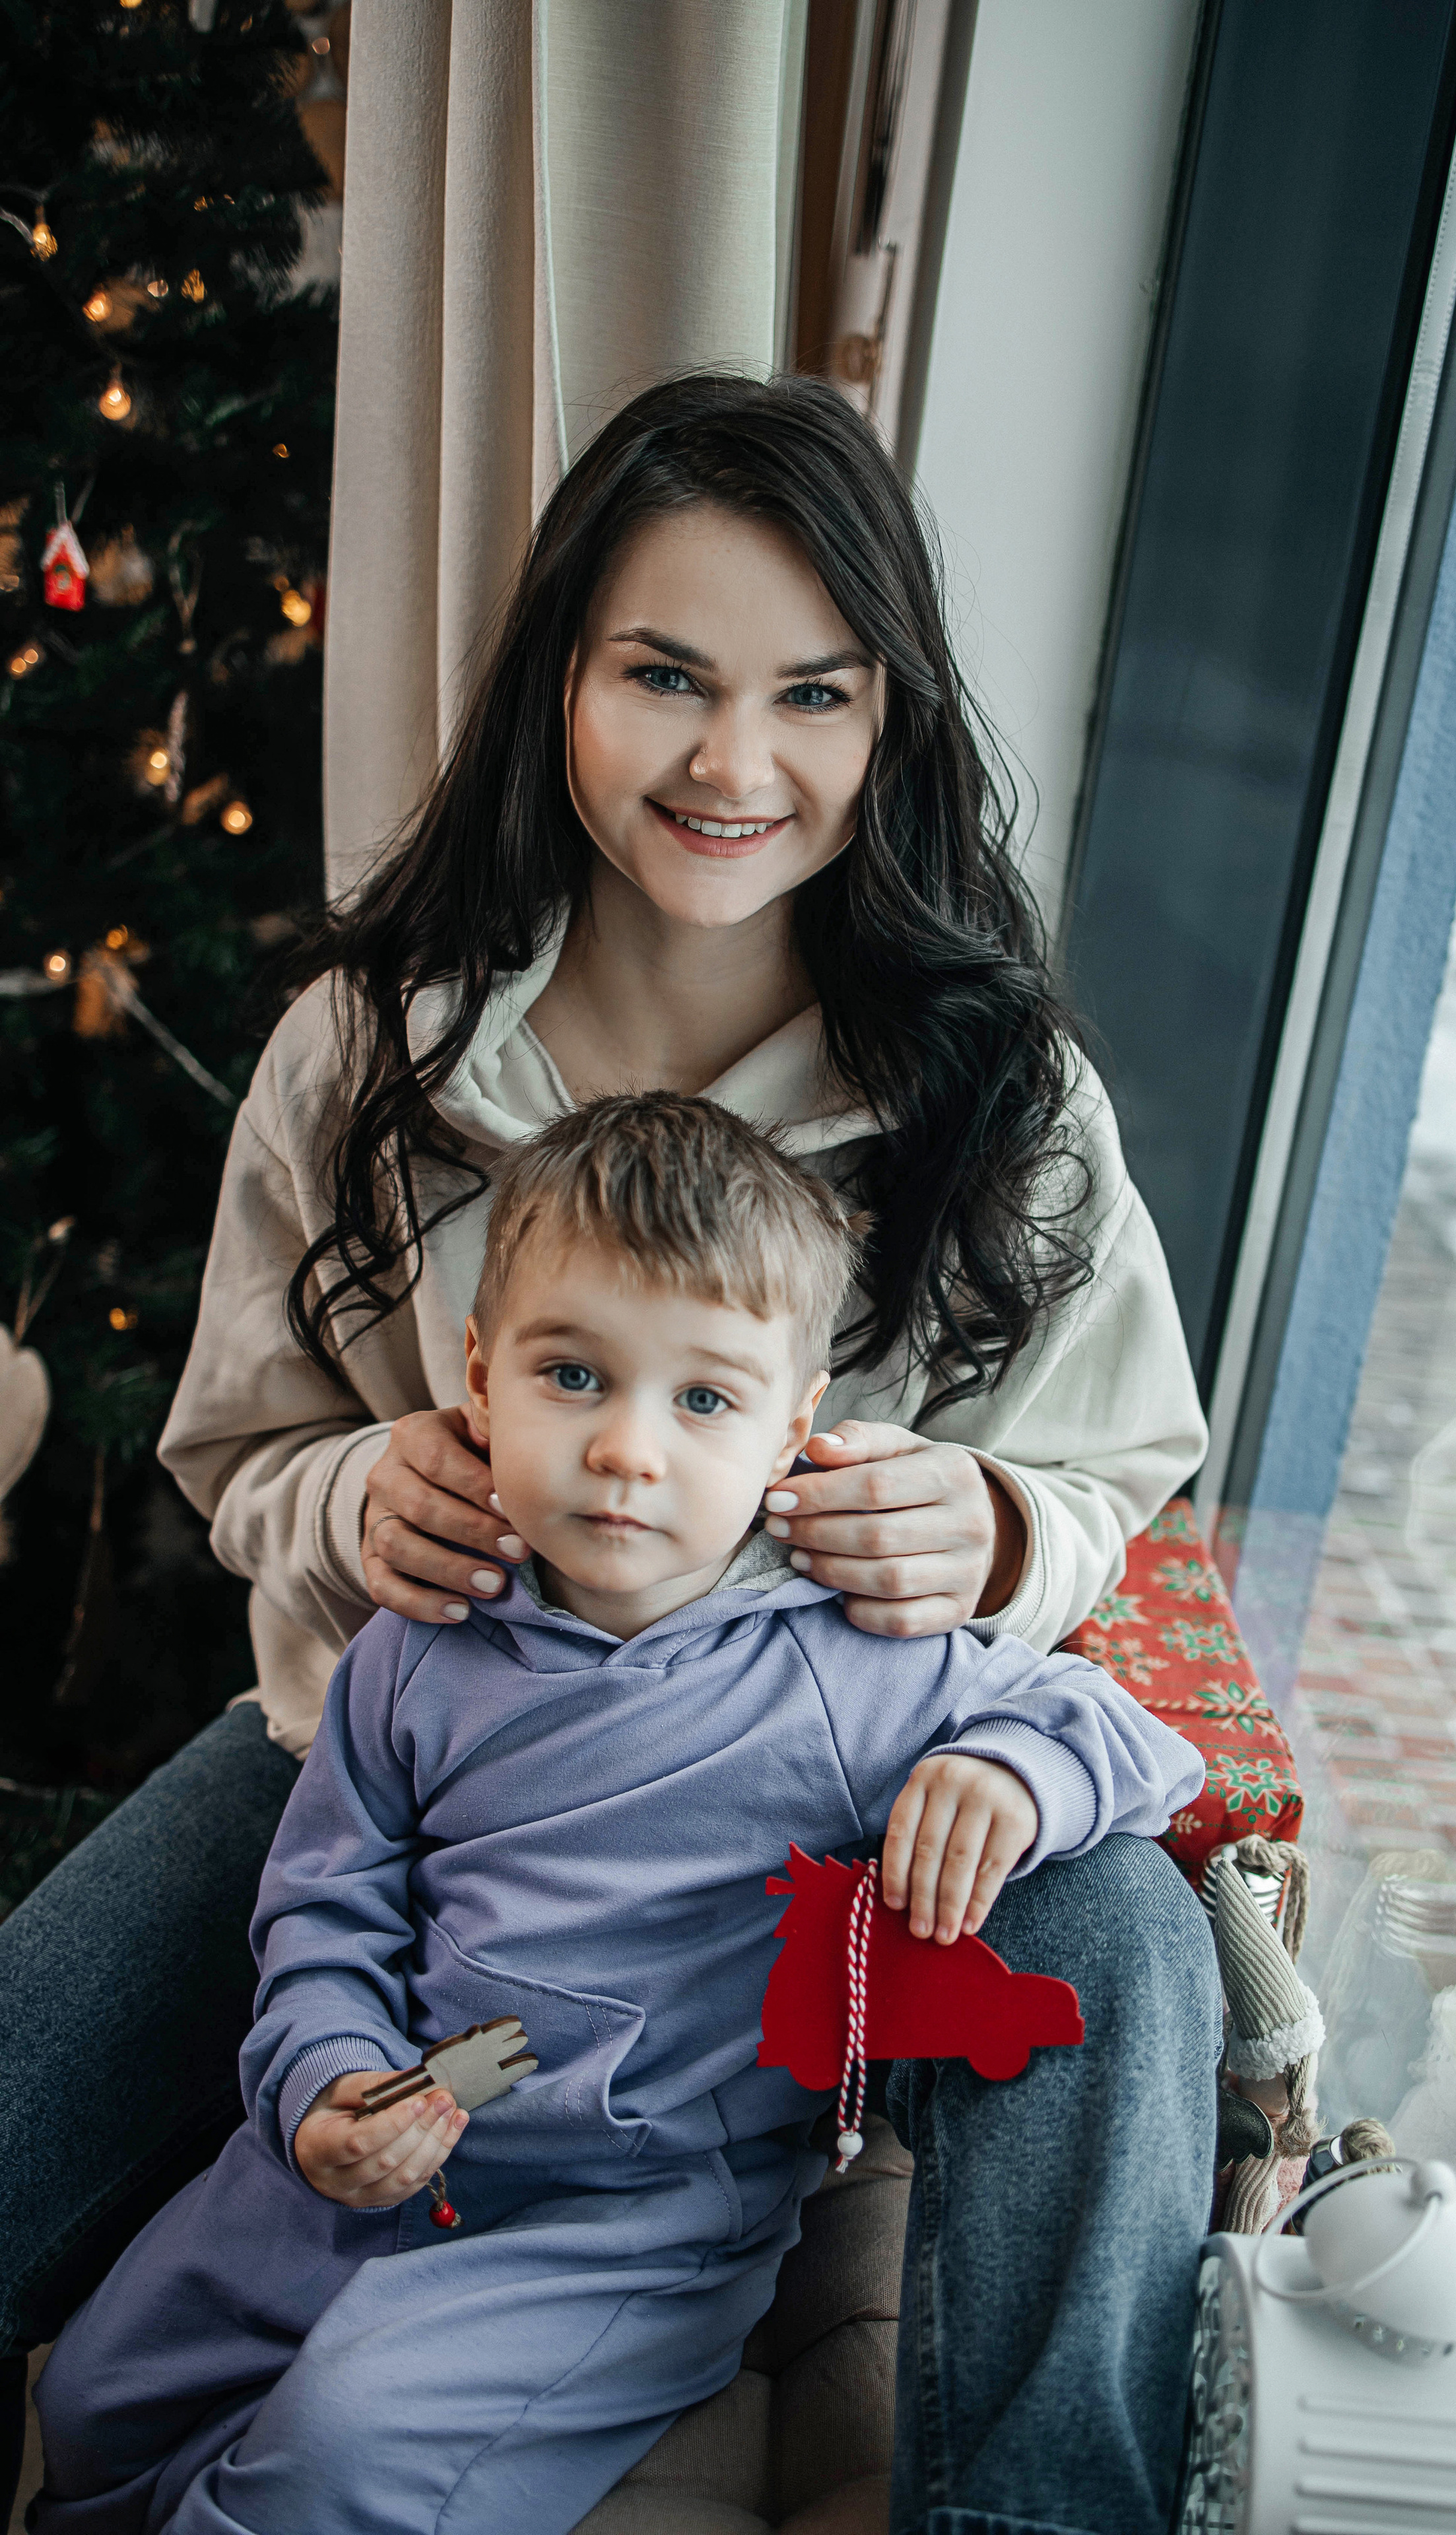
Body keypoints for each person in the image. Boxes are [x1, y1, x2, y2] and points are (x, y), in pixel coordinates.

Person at [0, 372, 1222, 2534]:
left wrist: (1000, 1522)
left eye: (812, 695)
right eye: (665, 677)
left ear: (889, 719)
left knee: (1127, 1927)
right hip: (395, 1759)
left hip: (822, 1824)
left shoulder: (1000, 1091)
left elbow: (1120, 1473)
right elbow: (241, 1441)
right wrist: (354, 1494)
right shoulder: (368, 1049)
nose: (735, 765)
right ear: (560, 676)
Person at [32, 1093, 1208, 2535]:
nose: (628, 1451)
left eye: (703, 1401)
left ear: (792, 1431)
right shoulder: (417, 1644)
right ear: (481, 1381)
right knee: (94, 2400)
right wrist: (324, 2080)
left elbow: (1138, 1740)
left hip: (620, 2225)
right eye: (574, 1376)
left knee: (337, 2459)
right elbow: (326, 1903)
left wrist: (1014, 1771)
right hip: (376, 2148)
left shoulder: (843, 1662)